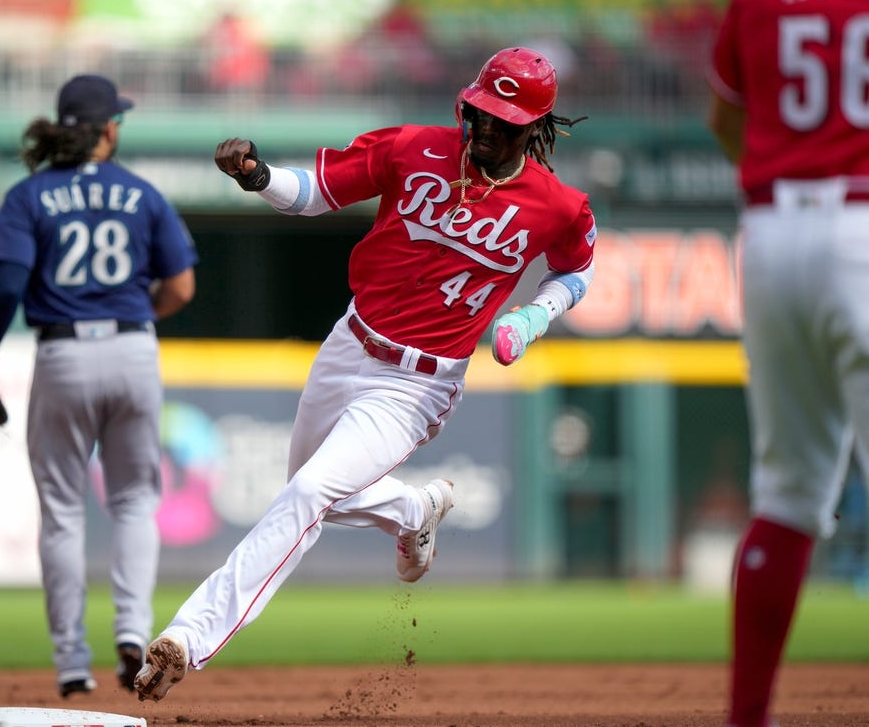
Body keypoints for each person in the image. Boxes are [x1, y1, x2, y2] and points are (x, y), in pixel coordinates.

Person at [134, 46, 597, 702]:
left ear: (535, 126)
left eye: (502, 119)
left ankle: (188, 634)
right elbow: (315, 193)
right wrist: (260, 175)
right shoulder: (414, 149)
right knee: (308, 489)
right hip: (349, 344)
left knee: (306, 495)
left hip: (417, 384)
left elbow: (577, 266)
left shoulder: (556, 203)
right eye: (479, 112)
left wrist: (535, 316)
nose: (484, 127)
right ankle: (413, 508)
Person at [0, 73, 197, 697]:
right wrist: (136, 320)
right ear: (108, 128)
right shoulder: (142, 193)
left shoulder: (29, 195)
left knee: (62, 513)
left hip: (63, 353)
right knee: (136, 502)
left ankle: (70, 665)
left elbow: (7, 284)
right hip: (134, 349)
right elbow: (182, 287)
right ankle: (134, 633)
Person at [707, 0, 869, 727]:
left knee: (787, 498)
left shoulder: (757, 0)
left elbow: (726, 121)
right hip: (864, 223)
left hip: (771, 235)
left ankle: (748, 717)